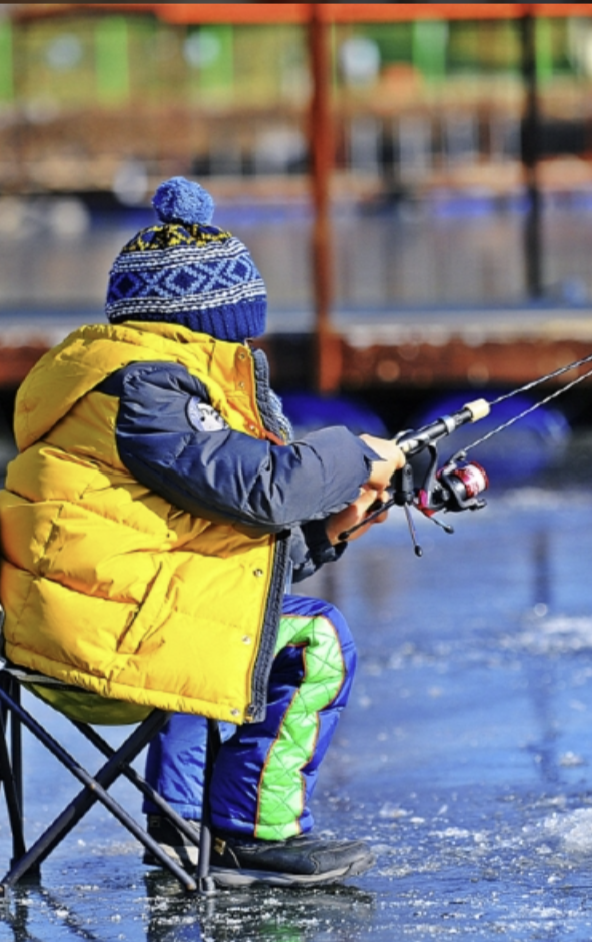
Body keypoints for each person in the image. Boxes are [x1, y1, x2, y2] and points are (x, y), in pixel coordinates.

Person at [0, 177, 404, 888]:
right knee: (320, 640)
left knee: (217, 627)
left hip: (98, 620)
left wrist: (337, 528)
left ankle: (182, 823)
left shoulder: (103, 383)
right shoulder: (148, 391)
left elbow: (216, 558)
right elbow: (267, 488)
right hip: (98, 639)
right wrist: (356, 454)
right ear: (211, 317)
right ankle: (252, 832)